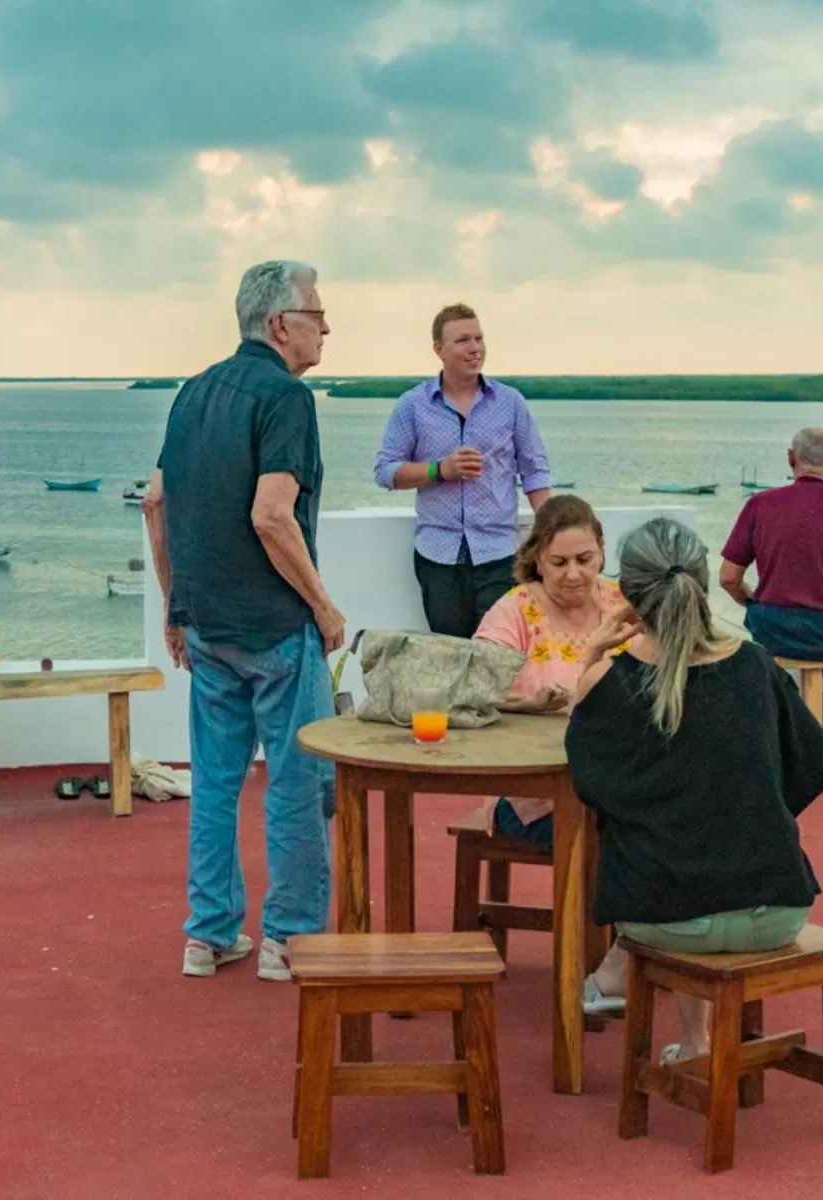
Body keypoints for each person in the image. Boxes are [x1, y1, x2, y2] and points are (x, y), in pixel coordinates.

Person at [567, 518, 823, 1060]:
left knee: (671, 865)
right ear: (703, 582)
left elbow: (586, 779)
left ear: (625, 596)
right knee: (698, 849)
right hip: (778, 909)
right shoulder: (755, 666)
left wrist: (590, 659)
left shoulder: (611, 681)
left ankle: (653, 1007)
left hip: (665, 915)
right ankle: (694, 1042)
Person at [143, 260, 345, 983]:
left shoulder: (192, 394)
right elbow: (271, 514)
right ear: (280, 322)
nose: (326, 328)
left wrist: (175, 604)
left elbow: (157, 504)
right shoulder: (288, 398)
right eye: (318, 314)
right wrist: (322, 605)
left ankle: (209, 933)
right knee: (296, 786)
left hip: (209, 625)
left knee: (217, 782)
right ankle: (287, 939)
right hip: (274, 627)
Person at [373, 303, 554, 637]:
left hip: (499, 553)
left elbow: (534, 470)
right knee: (451, 656)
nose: (475, 348)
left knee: (499, 656)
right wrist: (439, 470)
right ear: (438, 350)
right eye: (463, 340)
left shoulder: (510, 402)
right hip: (438, 555)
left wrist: (553, 531)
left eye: (479, 338)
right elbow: (385, 471)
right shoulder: (412, 405)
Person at [472, 495, 630, 849]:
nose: (573, 574)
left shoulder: (623, 604)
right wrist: (530, 703)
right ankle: (583, 906)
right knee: (624, 840)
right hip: (535, 791)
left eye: (584, 559)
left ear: (601, 551)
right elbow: (472, 688)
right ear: (537, 560)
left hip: (620, 778)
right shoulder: (514, 611)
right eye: (559, 562)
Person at [721, 426, 823, 764]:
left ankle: (772, 729)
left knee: (764, 622)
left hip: (776, 632)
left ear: (792, 459)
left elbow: (728, 578)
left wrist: (751, 601)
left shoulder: (760, 504)